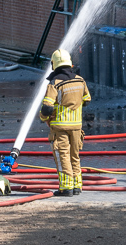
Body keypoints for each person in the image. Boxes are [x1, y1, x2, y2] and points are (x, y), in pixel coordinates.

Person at [39, 49, 91, 196]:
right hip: (76, 127)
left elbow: (47, 107)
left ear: (54, 64)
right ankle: (77, 186)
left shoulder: (55, 83)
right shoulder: (80, 80)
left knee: (63, 157)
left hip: (60, 127)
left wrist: (43, 118)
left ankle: (66, 188)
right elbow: (87, 100)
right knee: (75, 156)